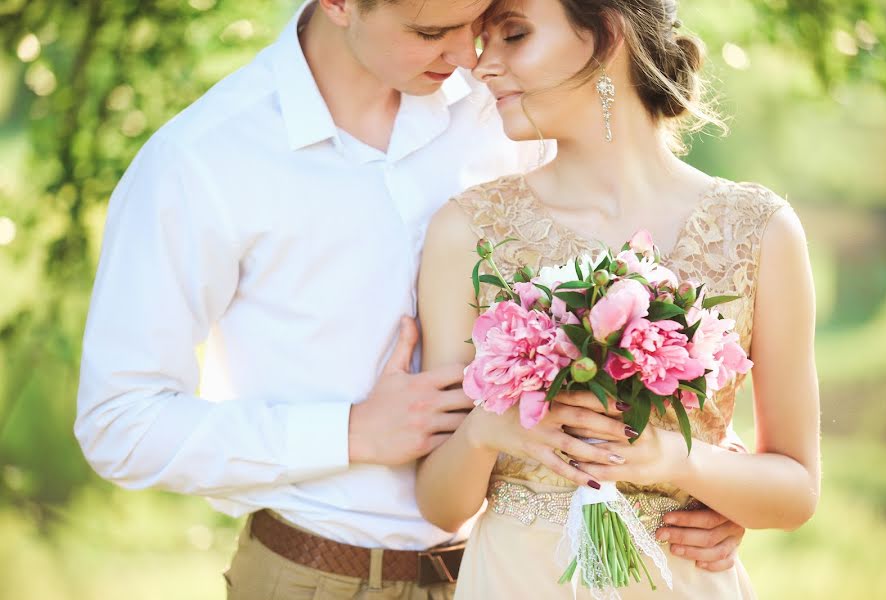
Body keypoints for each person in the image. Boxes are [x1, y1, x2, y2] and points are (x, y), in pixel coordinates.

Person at [75, 1, 752, 598]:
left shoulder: (511, 106)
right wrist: (348, 432)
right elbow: (119, 424)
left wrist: (703, 472)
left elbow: (613, 289)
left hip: (512, 572)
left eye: (482, 23)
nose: (468, 56)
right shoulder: (204, 161)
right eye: (435, 31)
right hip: (314, 576)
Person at [415, 0, 821, 598]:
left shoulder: (759, 229)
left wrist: (679, 462)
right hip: (516, 579)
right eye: (483, 42)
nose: (483, 66)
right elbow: (440, 506)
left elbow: (796, 493)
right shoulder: (468, 231)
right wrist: (485, 431)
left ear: (608, 34)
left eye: (513, 35)